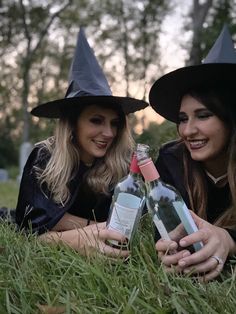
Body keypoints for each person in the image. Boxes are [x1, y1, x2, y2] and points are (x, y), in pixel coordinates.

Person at [15, 28, 148, 257]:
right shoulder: (44, 157)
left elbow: (135, 218)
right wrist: (93, 230)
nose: (108, 133)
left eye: (115, 123)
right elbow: (33, 223)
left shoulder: (123, 162)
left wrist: (67, 224)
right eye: (96, 121)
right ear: (73, 124)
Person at [149, 25, 236, 281]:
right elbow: (165, 227)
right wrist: (170, 249)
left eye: (204, 115)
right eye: (182, 118)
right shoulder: (170, 161)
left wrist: (228, 240)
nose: (187, 131)